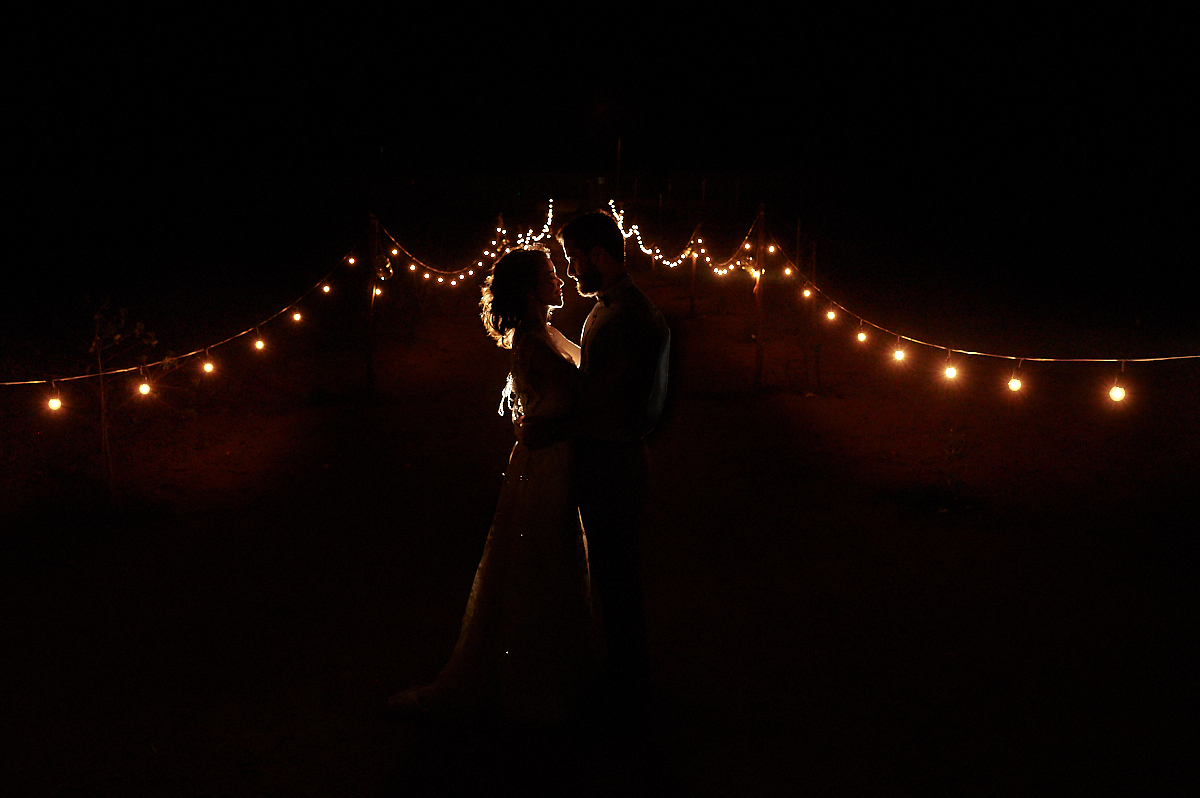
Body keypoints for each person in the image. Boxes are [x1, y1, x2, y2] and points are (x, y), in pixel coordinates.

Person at [386, 245, 601, 726]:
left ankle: (559, 670)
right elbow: (583, 394)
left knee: (552, 559)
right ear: (529, 291)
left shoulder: (543, 333)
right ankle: (536, 680)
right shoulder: (534, 342)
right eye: (550, 274)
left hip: (548, 458)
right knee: (544, 562)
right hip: (545, 464)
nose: (561, 279)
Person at [557, 211, 670, 709]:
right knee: (613, 572)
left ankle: (628, 685)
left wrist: (549, 424)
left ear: (597, 256)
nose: (568, 270)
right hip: (616, 456)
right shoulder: (621, 306)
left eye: (572, 258)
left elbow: (602, 397)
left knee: (616, 574)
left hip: (612, 463)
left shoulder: (624, 316)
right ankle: (626, 675)